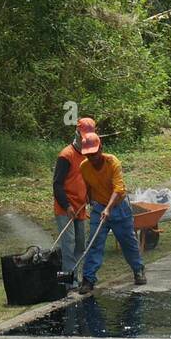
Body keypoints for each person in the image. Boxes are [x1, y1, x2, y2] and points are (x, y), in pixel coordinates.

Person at [77, 131, 146, 293]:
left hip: (119, 207)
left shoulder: (112, 162)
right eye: (88, 155)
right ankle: (88, 279)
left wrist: (108, 208)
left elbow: (118, 189)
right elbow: (88, 186)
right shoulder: (84, 167)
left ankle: (138, 270)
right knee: (94, 243)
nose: (92, 158)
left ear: (101, 148)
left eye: (94, 154)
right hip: (98, 207)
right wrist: (87, 200)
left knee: (128, 242)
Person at [52, 120, 92, 279]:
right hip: (65, 208)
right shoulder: (66, 155)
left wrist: (89, 195)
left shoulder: (88, 154)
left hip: (80, 207)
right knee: (68, 244)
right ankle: (68, 282)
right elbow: (57, 184)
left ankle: (74, 276)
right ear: (77, 135)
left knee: (80, 244)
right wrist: (66, 205)